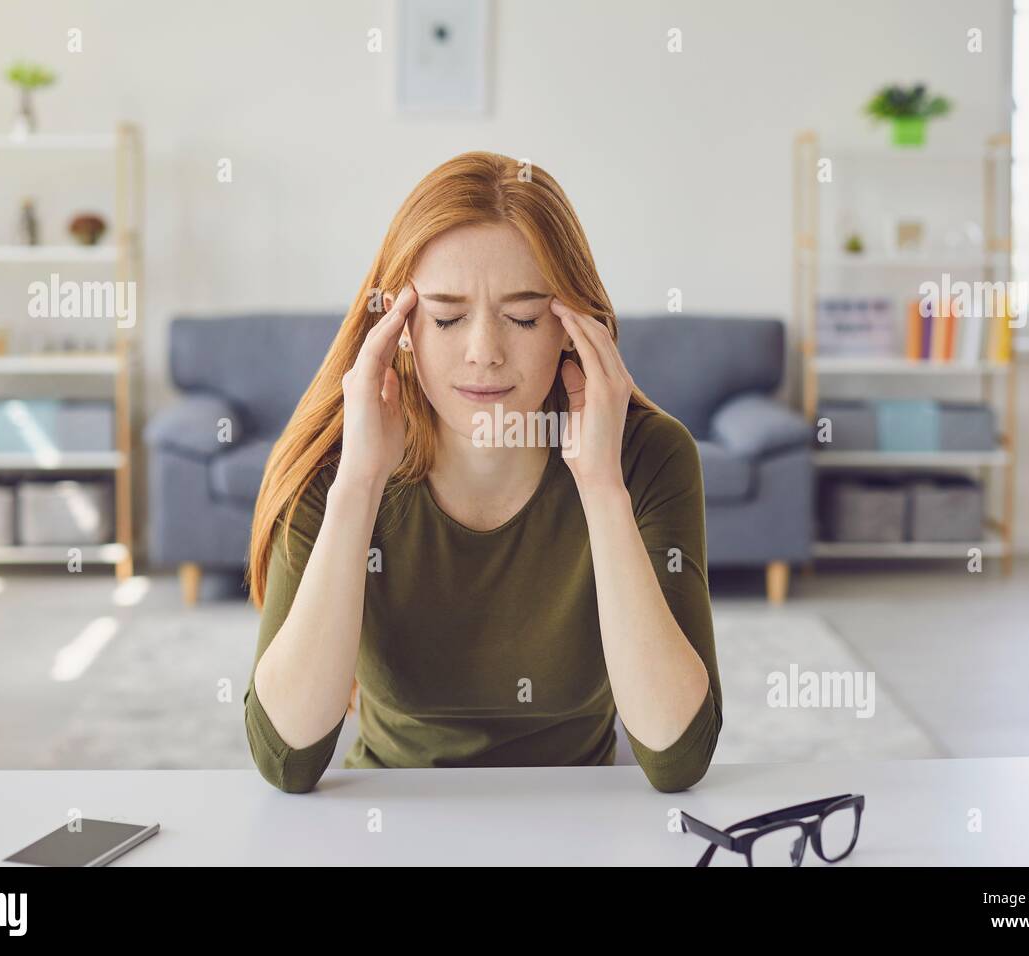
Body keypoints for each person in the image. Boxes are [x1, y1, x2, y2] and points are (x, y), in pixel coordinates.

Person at [245, 151, 722, 793]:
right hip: (390, 818)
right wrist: (358, 483)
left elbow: (676, 757)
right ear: (399, 326)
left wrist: (601, 485)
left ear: (573, 325)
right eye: (445, 317)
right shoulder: (338, 462)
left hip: (577, 822)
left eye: (524, 317)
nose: (484, 355)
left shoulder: (650, 456)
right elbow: (288, 760)